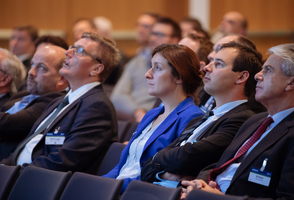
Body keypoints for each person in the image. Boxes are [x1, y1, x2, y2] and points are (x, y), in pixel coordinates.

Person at [181, 43, 294, 200]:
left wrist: (219, 198)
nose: (257, 76)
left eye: (268, 70)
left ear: (291, 83)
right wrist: (200, 184)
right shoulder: (255, 121)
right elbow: (220, 165)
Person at [141, 42, 262, 188]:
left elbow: (187, 158)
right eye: (211, 62)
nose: (206, 68)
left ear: (241, 77)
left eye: (218, 64)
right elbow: (146, 167)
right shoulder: (201, 119)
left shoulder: (242, 119)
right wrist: (162, 173)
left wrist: (157, 158)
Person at [0, 33, 120, 174]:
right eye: (71, 48)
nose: (67, 53)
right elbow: (26, 145)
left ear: (96, 69)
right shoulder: (59, 101)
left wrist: (15, 174)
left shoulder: (97, 107)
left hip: (41, 183)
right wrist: (2, 168)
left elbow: (64, 161)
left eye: (79, 51)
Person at [103, 44, 205, 192]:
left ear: (179, 76)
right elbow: (126, 164)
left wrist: (114, 186)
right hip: (120, 189)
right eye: (151, 66)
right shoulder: (152, 113)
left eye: (157, 68)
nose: (148, 74)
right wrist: (102, 183)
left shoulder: (193, 117)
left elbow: (168, 174)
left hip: (142, 193)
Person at [0, 44, 68, 163]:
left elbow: (6, 124)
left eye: (42, 67)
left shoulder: (54, 101)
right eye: (32, 64)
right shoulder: (22, 95)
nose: (31, 72)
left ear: (61, 79)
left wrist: (0, 129)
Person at [111, 16, 181, 122]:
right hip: (133, 118)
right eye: (152, 33)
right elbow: (117, 96)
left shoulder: (176, 68)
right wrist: (137, 112)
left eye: (160, 35)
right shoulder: (136, 62)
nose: (153, 39)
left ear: (175, 40)